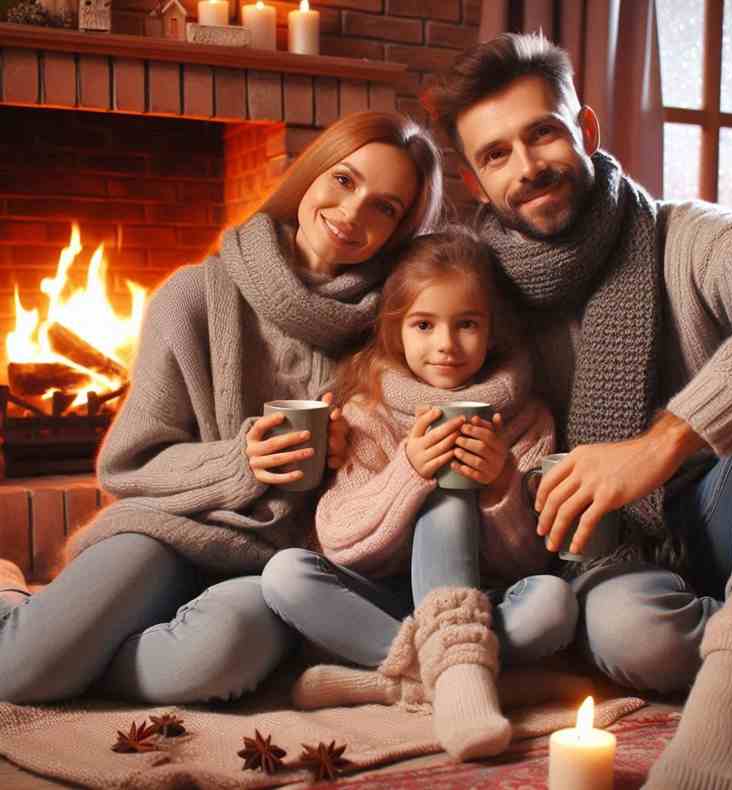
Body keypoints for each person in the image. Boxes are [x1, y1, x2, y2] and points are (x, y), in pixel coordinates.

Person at [424, 31, 732, 790]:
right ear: (475, 177)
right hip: (609, 549)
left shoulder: (689, 236)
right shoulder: (475, 291)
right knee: (633, 642)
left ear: (584, 129)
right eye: (497, 155)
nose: (527, 168)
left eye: (542, 133)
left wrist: (661, 444)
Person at [0, 110, 443, 706]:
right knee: (18, 675)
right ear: (311, 175)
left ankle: (77, 645)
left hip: (279, 566)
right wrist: (241, 462)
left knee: (217, 660)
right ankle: (18, 605)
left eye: (385, 207)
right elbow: (129, 465)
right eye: (344, 180)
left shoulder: (402, 327)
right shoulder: (192, 296)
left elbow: (397, 479)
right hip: (170, 531)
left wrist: (354, 456)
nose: (353, 212)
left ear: (400, 228)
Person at [261, 229, 578, 761]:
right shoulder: (367, 409)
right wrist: (409, 471)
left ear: (493, 329)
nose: (446, 345)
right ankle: (467, 678)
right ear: (395, 330)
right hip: (385, 597)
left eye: (467, 324)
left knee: (555, 602)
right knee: (285, 575)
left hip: (487, 604)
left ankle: (393, 684)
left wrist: (500, 488)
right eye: (424, 325)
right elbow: (338, 540)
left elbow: (531, 560)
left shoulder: (527, 419)